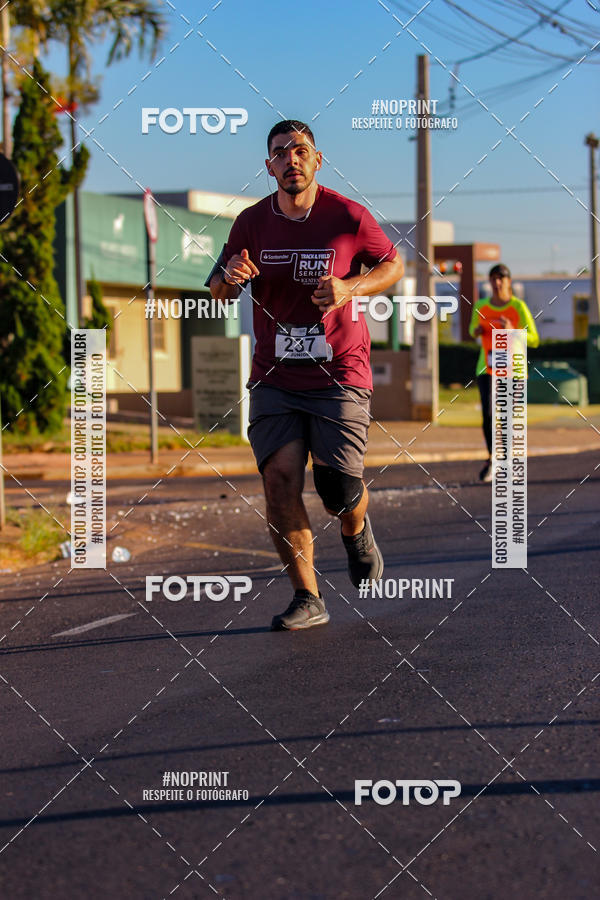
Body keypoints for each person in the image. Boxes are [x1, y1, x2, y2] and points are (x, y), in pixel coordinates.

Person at [208, 119, 404, 630]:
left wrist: (348, 288)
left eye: (300, 151)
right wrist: (229, 277)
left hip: (340, 371)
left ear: (318, 159)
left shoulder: (348, 216)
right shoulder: (251, 222)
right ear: (268, 166)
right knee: (278, 478)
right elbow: (217, 287)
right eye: (280, 153)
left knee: (337, 487)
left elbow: (393, 266)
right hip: (275, 375)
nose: (291, 160)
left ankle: (356, 531)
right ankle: (307, 596)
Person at [469, 263, 539, 482]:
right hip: (487, 366)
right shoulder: (481, 305)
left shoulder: (518, 307)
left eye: (501, 278)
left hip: (513, 368)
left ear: (509, 281)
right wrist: (477, 331)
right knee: (489, 414)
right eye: (493, 279)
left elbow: (534, 340)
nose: (497, 283)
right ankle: (492, 459)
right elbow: (473, 330)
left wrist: (513, 331)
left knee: (507, 416)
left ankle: (507, 460)